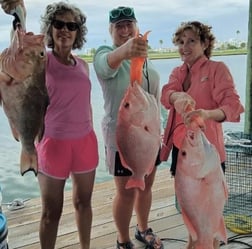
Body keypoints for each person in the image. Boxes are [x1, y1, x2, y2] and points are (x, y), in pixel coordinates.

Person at [1, 1, 99, 249]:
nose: (65, 29)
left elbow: (85, 103)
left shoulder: (83, 65)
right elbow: (20, 41)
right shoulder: (42, 61)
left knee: (84, 203)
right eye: (58, 24)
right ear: (50, 29)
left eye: (71, 25)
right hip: (52, 143)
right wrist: (18, 11)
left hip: (86, 141)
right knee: (50, 213)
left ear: (78, 32)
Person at [160, 21, 244, 248]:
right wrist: (175, 97)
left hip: (208, 155)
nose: (184, 47)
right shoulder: (178, 72)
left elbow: (233, 106)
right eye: (181, 42)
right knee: (191, 217)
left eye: (191, 41)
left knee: (210, 221)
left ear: (205, 43)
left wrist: (206, 114)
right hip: (183, 152)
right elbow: (166, 93)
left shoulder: (217, 69)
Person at [93, 6, 164, 249]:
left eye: (128, 25)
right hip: (123, 139)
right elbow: (105, 65)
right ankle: (122, 240)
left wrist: (160, 134)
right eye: (118, 26)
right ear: (111, 30)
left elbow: (155, 99)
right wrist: (126, 50)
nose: (124, 30)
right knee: (125, 193)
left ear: (136, 26)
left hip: (151, 136)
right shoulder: (106, 53)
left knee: (145, 186)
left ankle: (143, 229)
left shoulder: (145, 60)